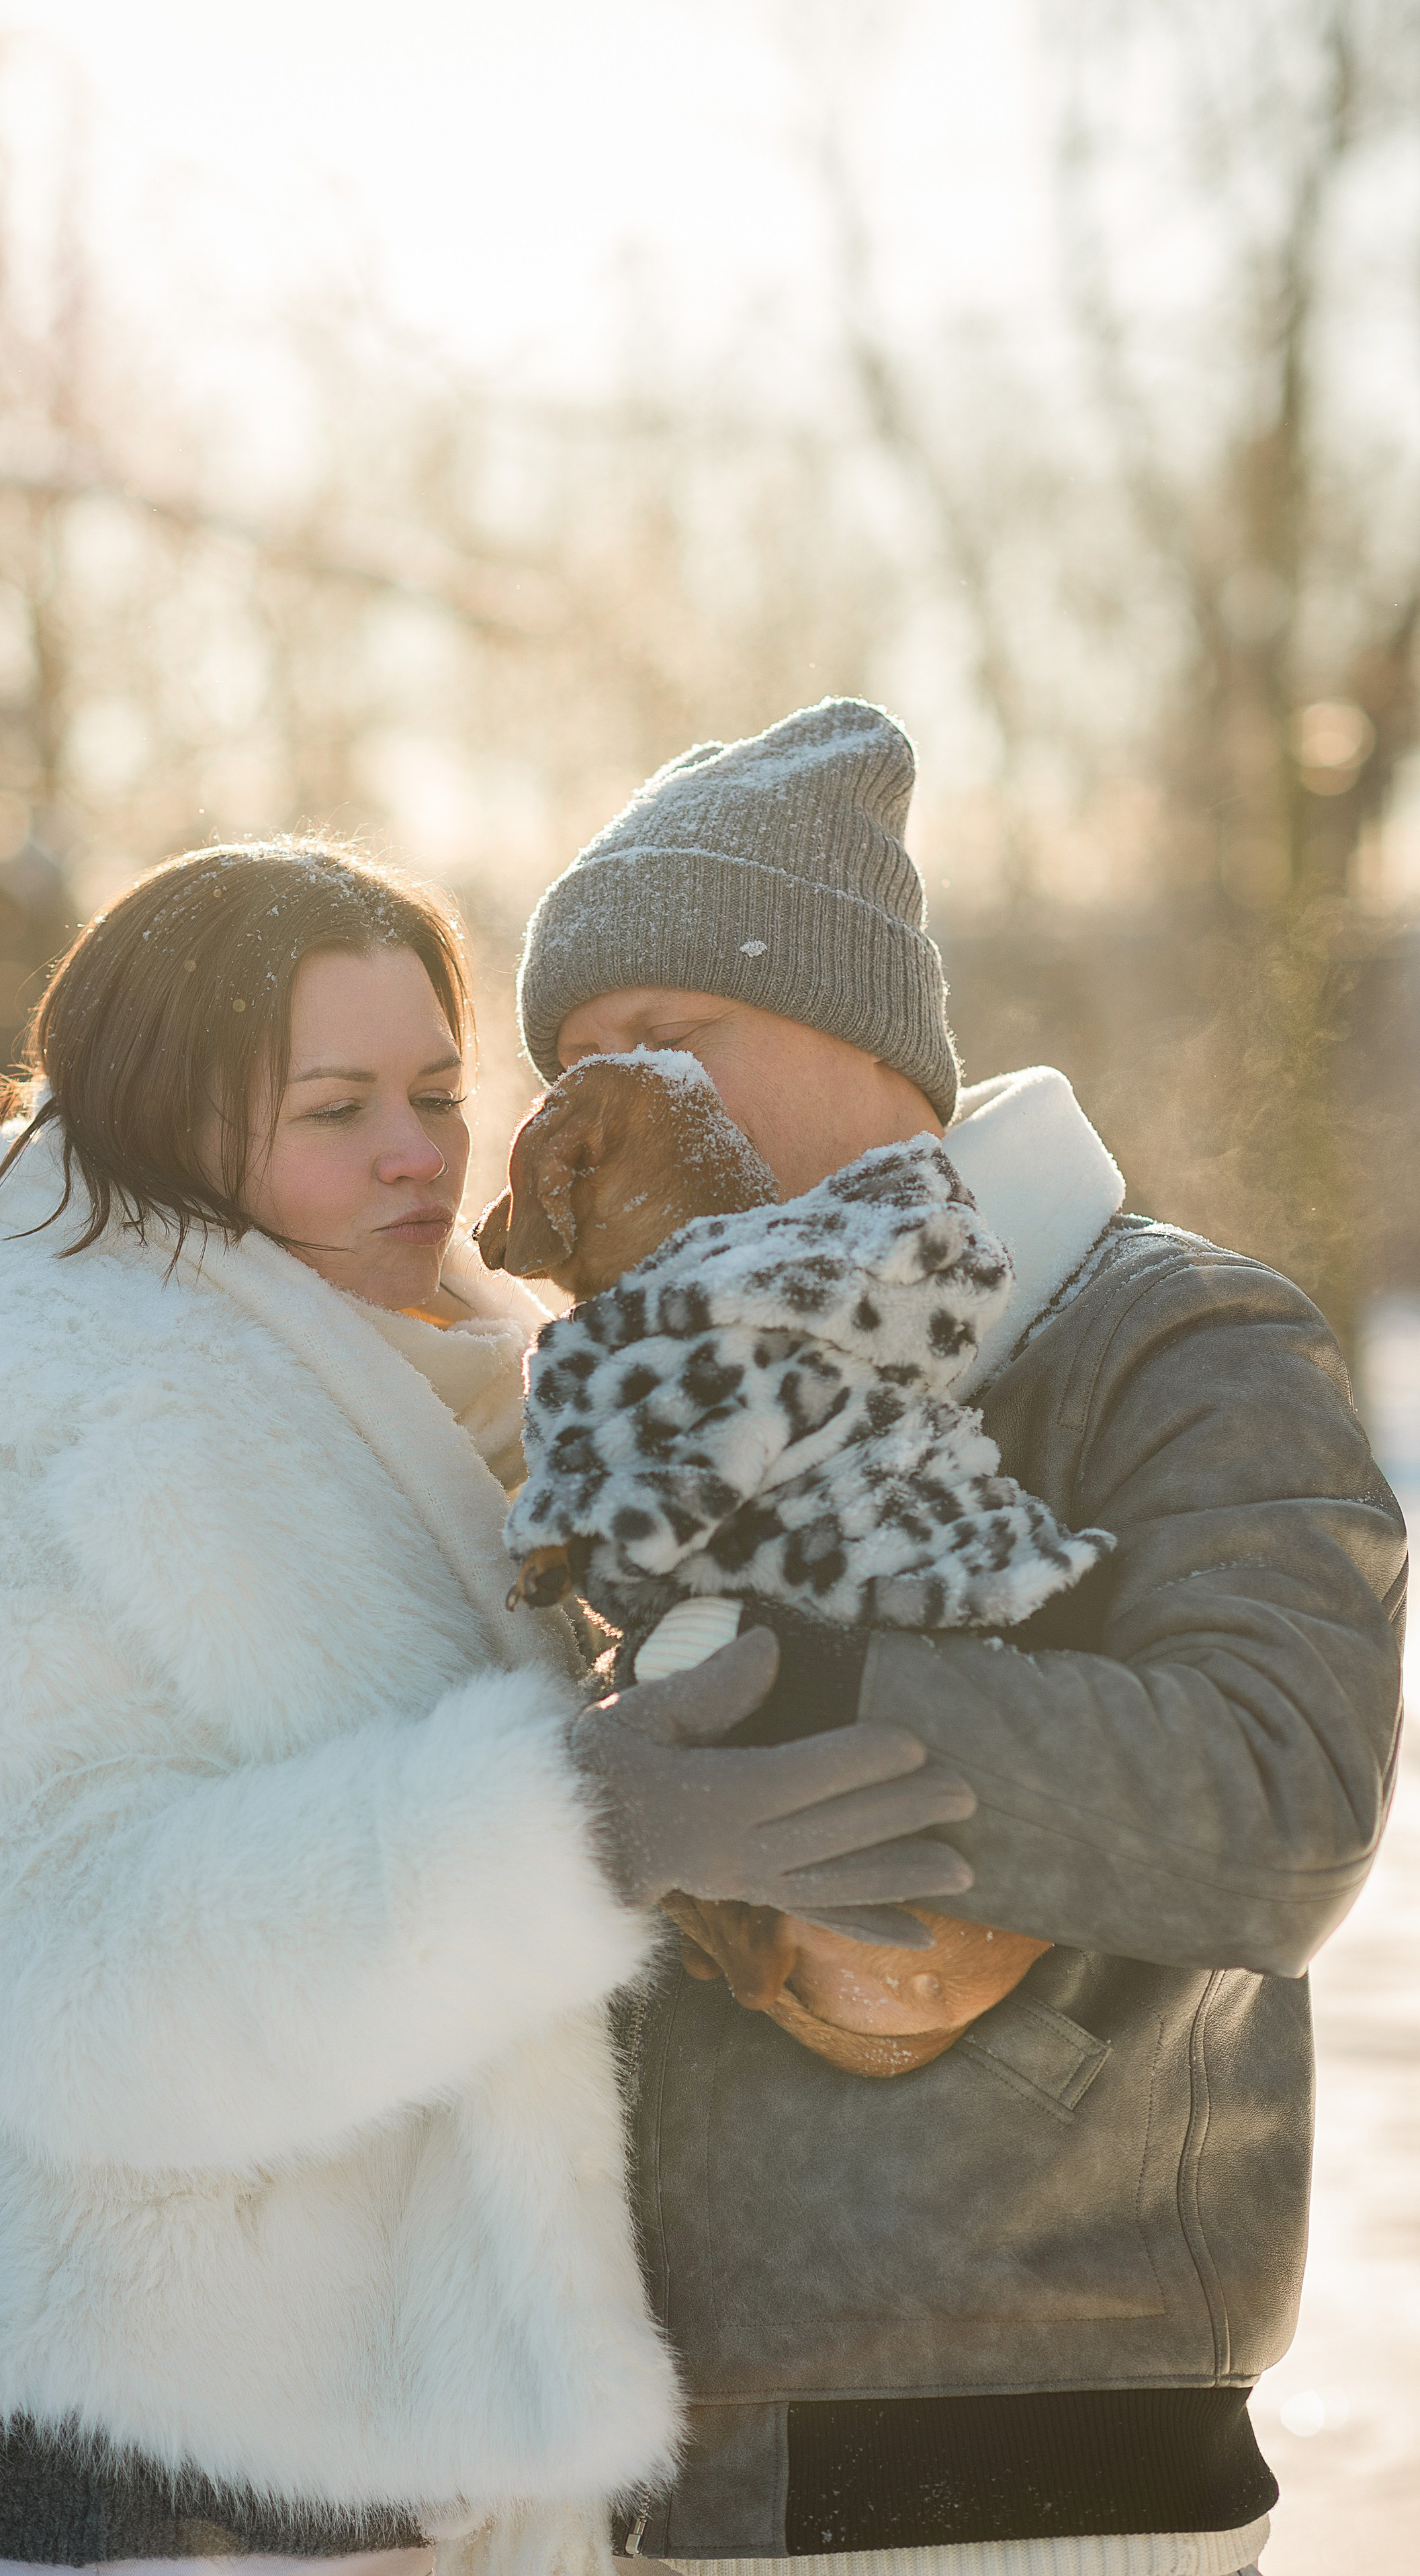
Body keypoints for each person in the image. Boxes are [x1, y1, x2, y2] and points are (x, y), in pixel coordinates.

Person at [0, 840, 975, 2576]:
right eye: (336, 1104)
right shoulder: (30, 1470)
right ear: (166, 1122)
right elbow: (80, 1970)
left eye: (441, 1090)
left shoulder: (438, 1402)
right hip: (111, 2479)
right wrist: (568, 1830)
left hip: (348, 2479)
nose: (417, 1151)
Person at [515, 699, 1409, 2576]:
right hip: (660, 2475)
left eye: (674, 1045)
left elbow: (1282, 1795)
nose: (619, 1118)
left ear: (870, 1037)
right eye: (577, 1071)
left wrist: (807, 1691)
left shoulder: (1169, 1333)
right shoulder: (628, 1411)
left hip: (1025, 2473)